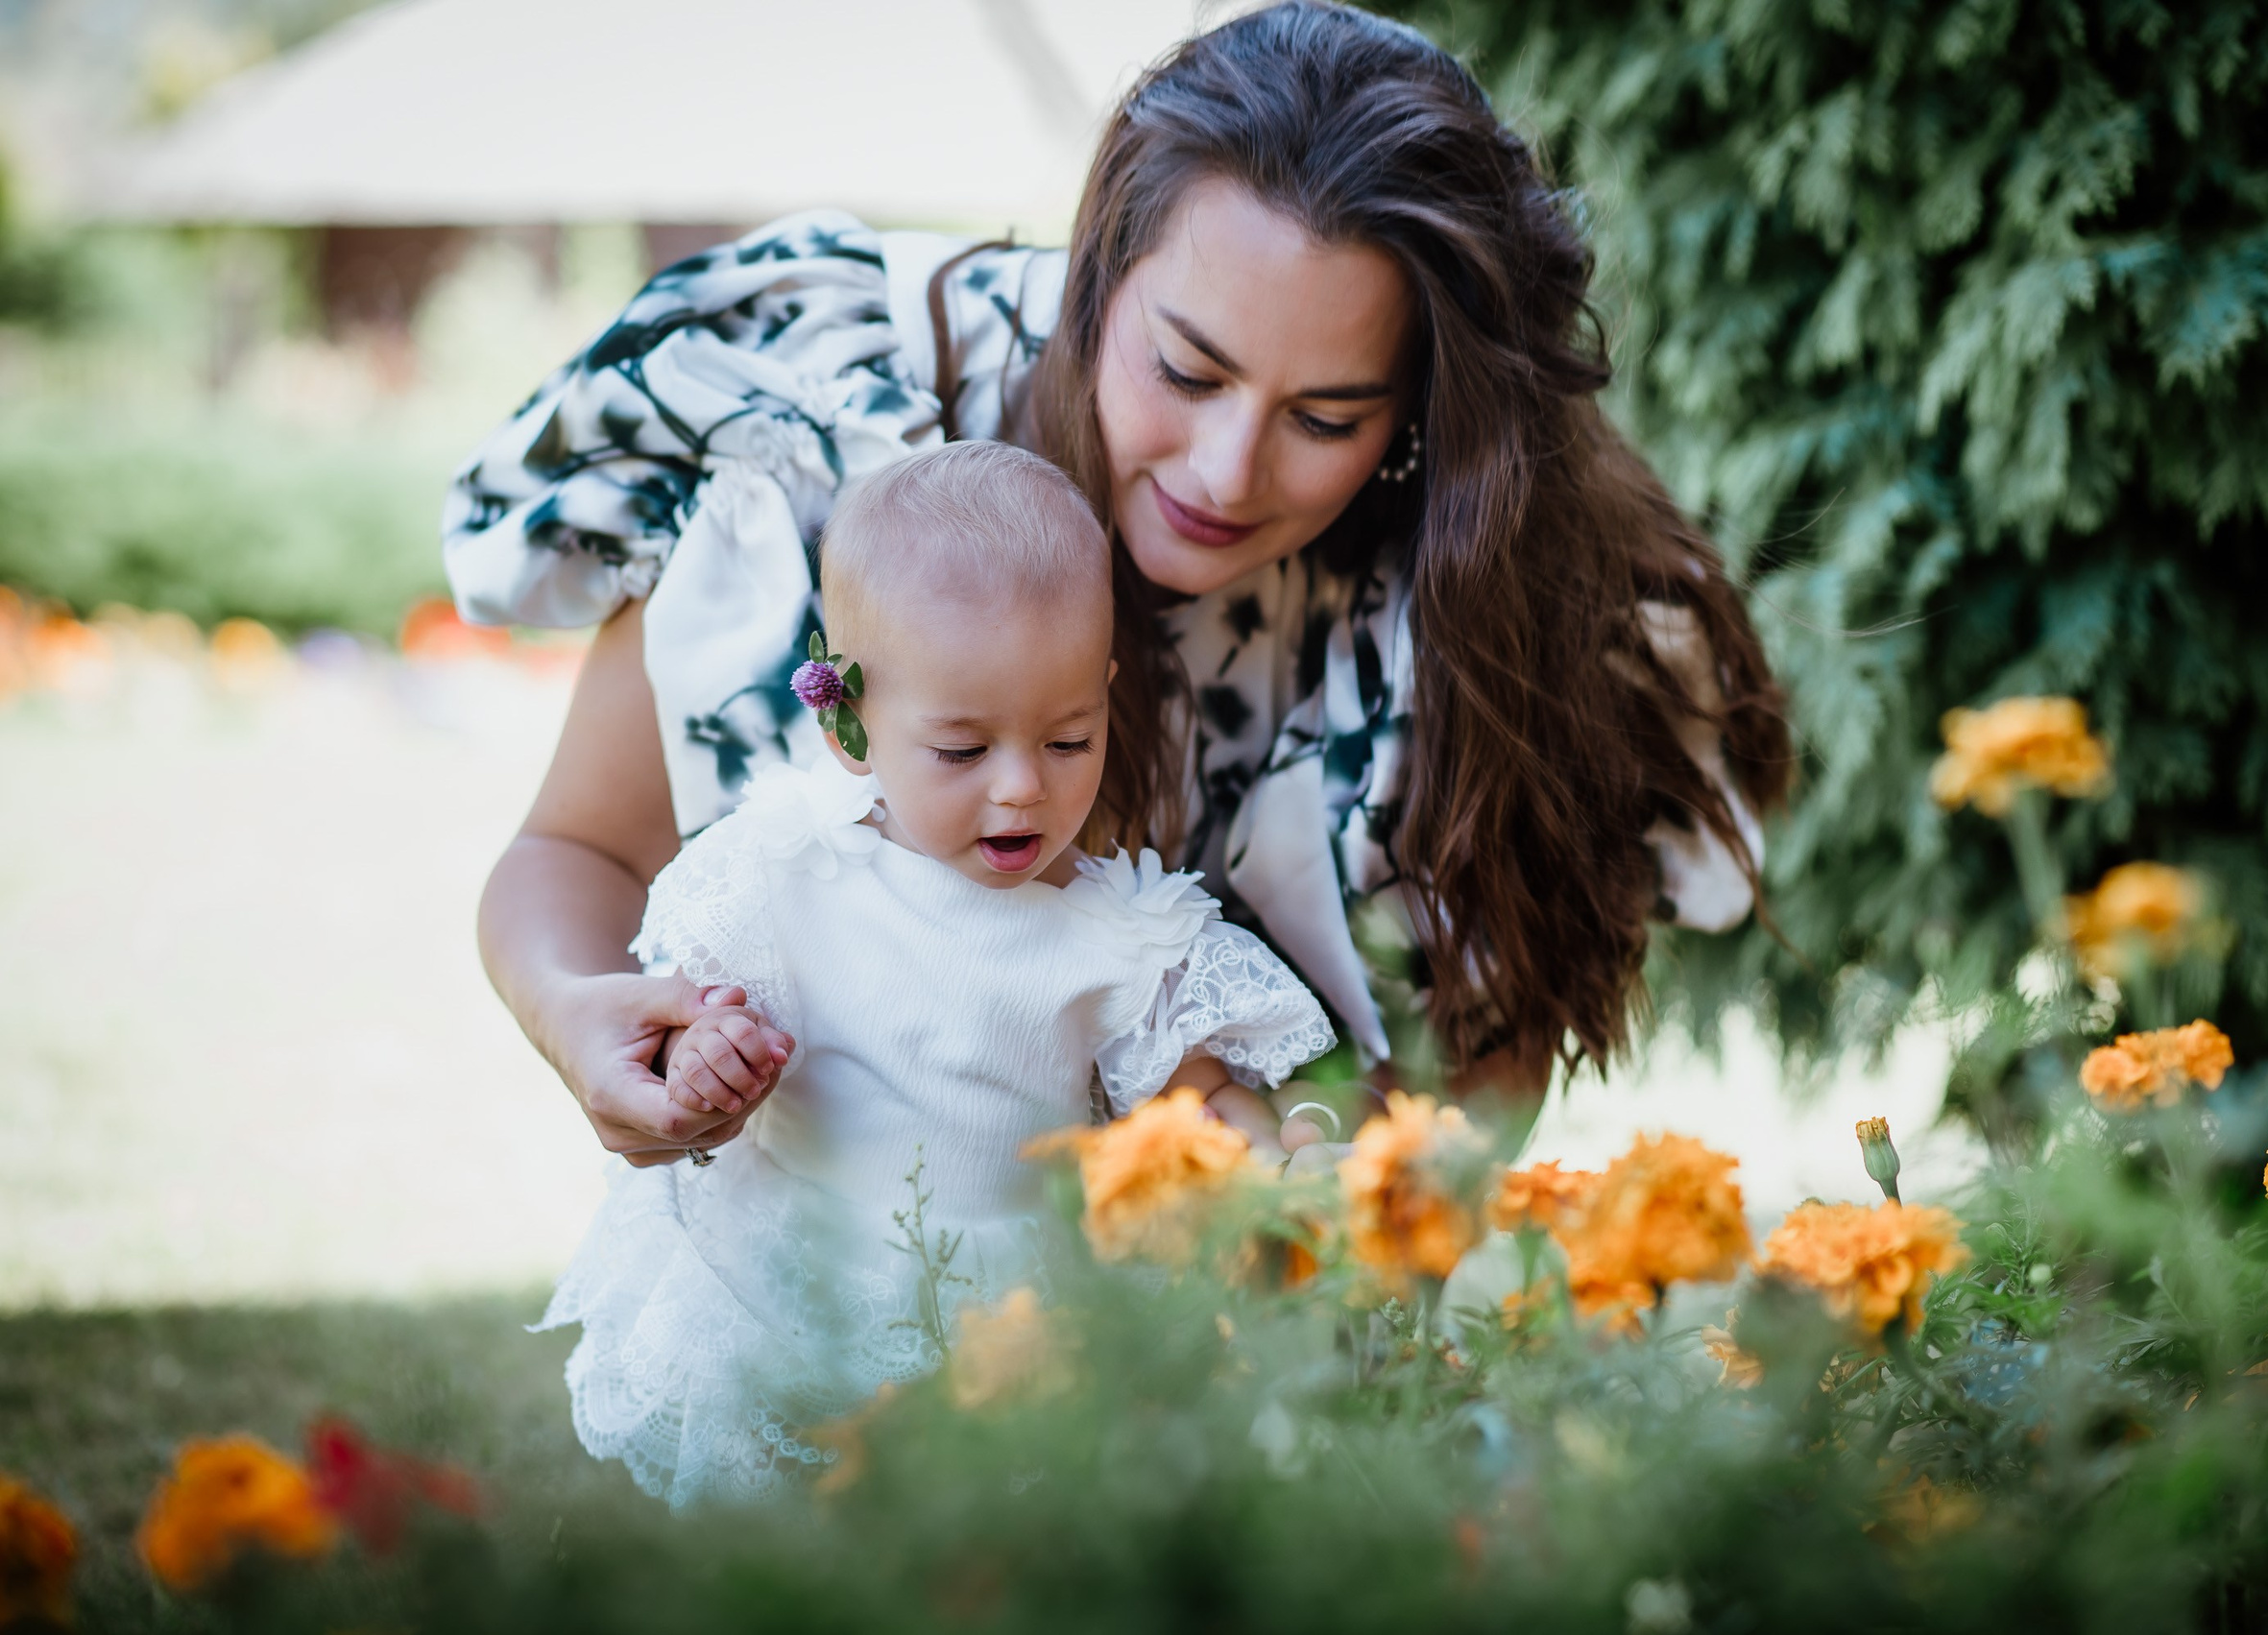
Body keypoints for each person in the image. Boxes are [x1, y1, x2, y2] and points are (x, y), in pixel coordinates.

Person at [446, 1, 1791, 1171]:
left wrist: (1312, 1209)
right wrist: (578, 1012)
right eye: (1188, 370)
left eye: (1326, 416)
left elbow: (1462, 1125)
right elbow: (580, 848)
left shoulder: (1493, 594)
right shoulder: (830, 420)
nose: (1225, 468)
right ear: (1100, 274)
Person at [538, 442, 1335, 1505]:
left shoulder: (1115, 935)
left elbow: (1197, 1098)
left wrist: (1273, 1156)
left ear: (1104, 691)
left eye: (1067, 738)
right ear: (847, 721)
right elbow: (687, 1024)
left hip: (1013, 1315)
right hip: (801, 1266)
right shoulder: (789, 871)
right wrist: (705, 1060)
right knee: (798, 1532)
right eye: (961, 750)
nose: (1019, 791)